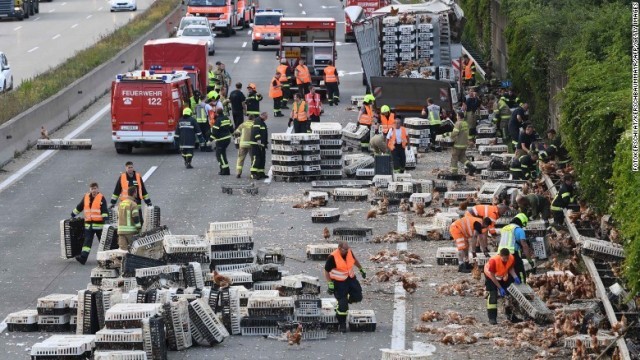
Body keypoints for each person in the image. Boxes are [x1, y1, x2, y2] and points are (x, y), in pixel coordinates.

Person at [324, 241, 365, 333]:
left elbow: (354, 260)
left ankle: (346, 301)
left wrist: (361, 269)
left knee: (358, 296)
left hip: (350, 279)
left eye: (347, 249)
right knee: (342, 306)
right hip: (339, 282)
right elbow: (326, 271)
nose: (347, 251)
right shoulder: (333, 257)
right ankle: (342, 323)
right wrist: (330, 283)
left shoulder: (349, 252)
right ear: (339, 248)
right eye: (345, 249)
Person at [71, 182, 109, 265]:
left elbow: (104, 210)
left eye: (95, 188)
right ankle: (83, 258)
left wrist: (106, 221)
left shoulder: (101, 198)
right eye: (92, 189)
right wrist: (73, 214)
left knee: (103, 242)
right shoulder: (86, 197)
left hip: (99, 225)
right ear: (90, 189)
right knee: (87, 242)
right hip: (88, 225)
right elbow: (79, 207)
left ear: (98, 189)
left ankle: (107, 258)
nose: (93, 190)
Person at [484, 248, 520, 325]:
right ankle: (492, 318)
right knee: (493, 295)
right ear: (500, 256)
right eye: (504, 258)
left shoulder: (511, 258)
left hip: (501, 275)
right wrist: (500, 288)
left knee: (508, 295)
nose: (506, 260)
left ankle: (511, 316)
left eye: (507, 258)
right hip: (490, 276)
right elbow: (493, 276)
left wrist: (515, 277)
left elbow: (510, 268)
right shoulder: (493, 261)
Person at [498, 213, 533, 284]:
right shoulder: (519, 230)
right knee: (520, 272)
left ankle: (508, 290)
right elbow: (524, 245)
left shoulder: (504, 228)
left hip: (500, 254)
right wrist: (529, 259)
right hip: (512, 253)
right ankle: (522, 288)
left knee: (507, 272)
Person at [117, 186, 142, 251]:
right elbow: (135, 217)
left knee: (123, 251)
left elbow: (118, 216)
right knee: (133, 251)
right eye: (136, 192)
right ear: (134, 193)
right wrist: (139, 228)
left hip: (121, 231)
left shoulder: (121, 203)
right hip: (130, 232)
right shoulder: (133, 204)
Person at [210, 108, 233, 175]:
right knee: (222, 154)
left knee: (220, 155)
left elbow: (215, 132)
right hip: (227, 139)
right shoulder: (227, 118)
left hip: (221, 140)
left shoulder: (218, 120)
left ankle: (225, 170)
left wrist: (210, 140)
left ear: (217, 113)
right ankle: (224, 169)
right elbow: (231, 128)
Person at [250, 112, 269, 179]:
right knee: (256, 158)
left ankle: (261, 172)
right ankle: (253, 173)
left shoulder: (262, 122)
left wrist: (265, 143)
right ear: (263, 116)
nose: (266, 118)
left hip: (261, 145)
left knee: (262, 159)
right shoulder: (258, 121)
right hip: (256, 144)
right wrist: (259, 140)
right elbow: (256, 131)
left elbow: (264, 133)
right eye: (266, 117)